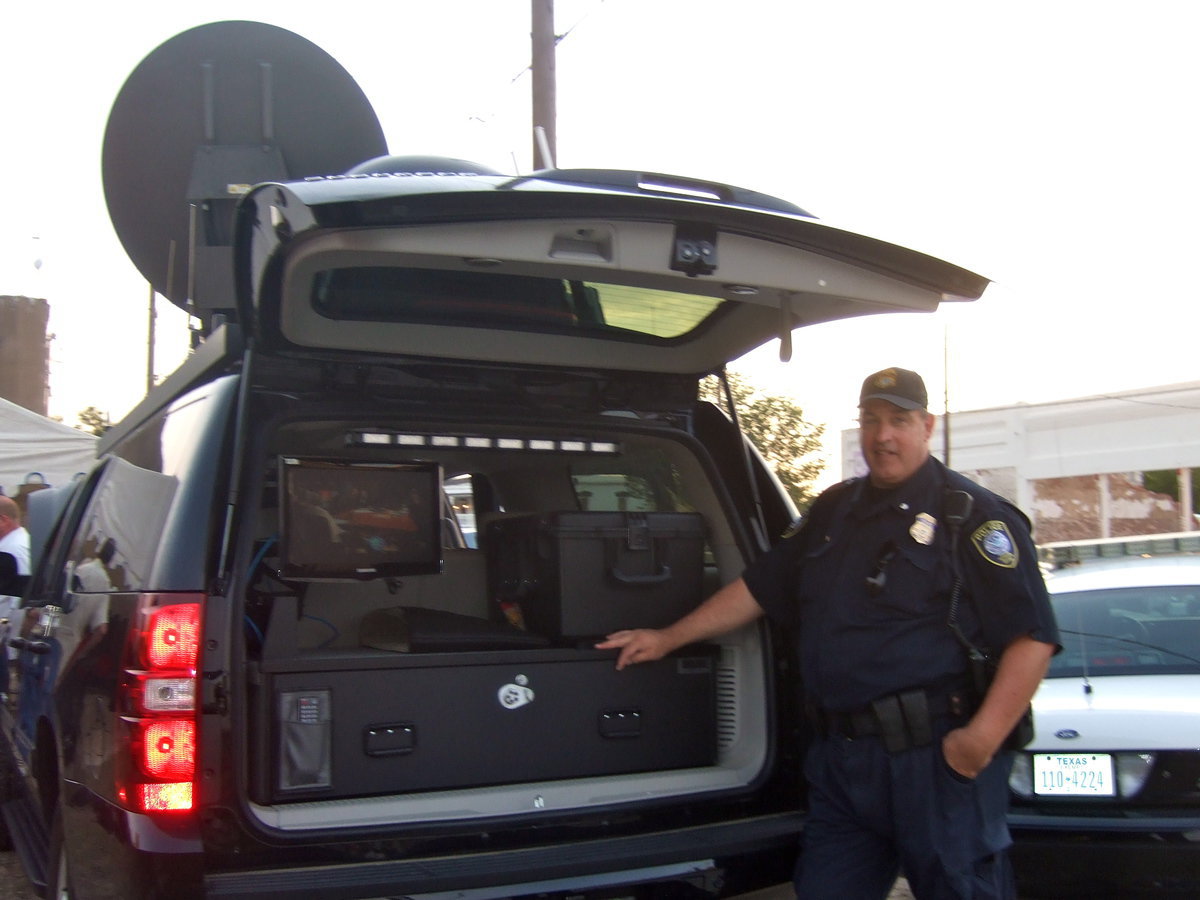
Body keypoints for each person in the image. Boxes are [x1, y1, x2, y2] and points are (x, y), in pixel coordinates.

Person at [597, 367, 1059, 900]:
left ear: (926, 426)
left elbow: (1032, 638)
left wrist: (975, 746)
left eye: (898, 421)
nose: (882, 435)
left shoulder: (973, 518)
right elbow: (759, 589)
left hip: (934, 759)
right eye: (871, 420)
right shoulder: (835, 510)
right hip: (843, 762)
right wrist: (668, 638)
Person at [0, 495, 32, 697]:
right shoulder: (23, 542)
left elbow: (19, 606)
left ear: (3, 520)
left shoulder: (11, 550)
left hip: (9, 647)